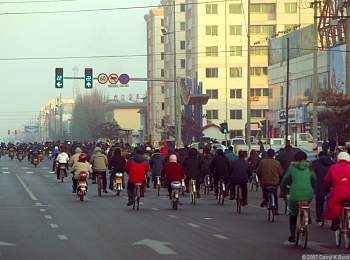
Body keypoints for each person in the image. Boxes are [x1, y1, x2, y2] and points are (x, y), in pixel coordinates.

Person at [281, 151, 316, 243]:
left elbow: (285, 179)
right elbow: (314, 179)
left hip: (295, 195)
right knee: (306, 203)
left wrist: (283, 188)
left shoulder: (292, 167)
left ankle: (292, 234)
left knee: (293, 212)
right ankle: (307, 215)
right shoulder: (310, 167)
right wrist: (313, 188)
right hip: (309, 194)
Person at [324, 152, 350, 231]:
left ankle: (336, 220)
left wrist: (326, 189)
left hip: (338, 193)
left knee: (333, 204)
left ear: (338, 159)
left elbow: (327, 181)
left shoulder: (333, 167)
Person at [311, 151, 334, 224]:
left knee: (319, 202)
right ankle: (330, 217)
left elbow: (312, 175)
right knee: (331, 201)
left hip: (319, 185)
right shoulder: (333, 163)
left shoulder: (315, 163)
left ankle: (319, 219)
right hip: (330, 185)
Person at [257, 149, 283, 213]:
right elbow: (281, 173)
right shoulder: (277, 163)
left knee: (265, 191)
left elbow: (258, 172)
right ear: (273, 155)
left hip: (265, 182)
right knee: (275, 194)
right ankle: (276, 209)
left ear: (267, 154)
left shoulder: (262, 162)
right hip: (275, 183)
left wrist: (260, 178)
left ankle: (265, 200)